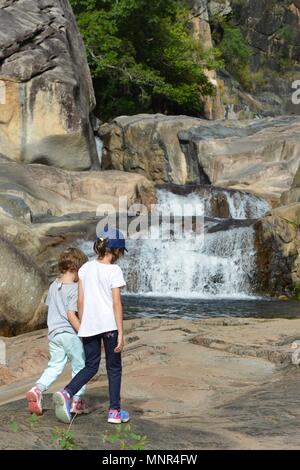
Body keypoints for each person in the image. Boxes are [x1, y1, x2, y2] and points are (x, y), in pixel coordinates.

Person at [53, 227, 130, 425]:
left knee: (91, 366)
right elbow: (116, 303)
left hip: (89, 325)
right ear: (116, 250)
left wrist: (84, 323)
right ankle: (114, 411)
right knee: (114, 368)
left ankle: (67, 392)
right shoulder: (114, 270)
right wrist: (121, 332)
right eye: (120, 251)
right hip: (109, 326)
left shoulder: (85, 268)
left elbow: (80, 300)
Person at [26, 248, 89, 416]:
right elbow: (71, 315)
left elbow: (50, 306)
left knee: (55, 365)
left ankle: (38, 389)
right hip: (70, 333)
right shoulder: (75, 289)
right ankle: (77, 401)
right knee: (80, 366)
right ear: (77, 269)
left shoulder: (54, 285)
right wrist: (84, 332)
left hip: (53, 334)